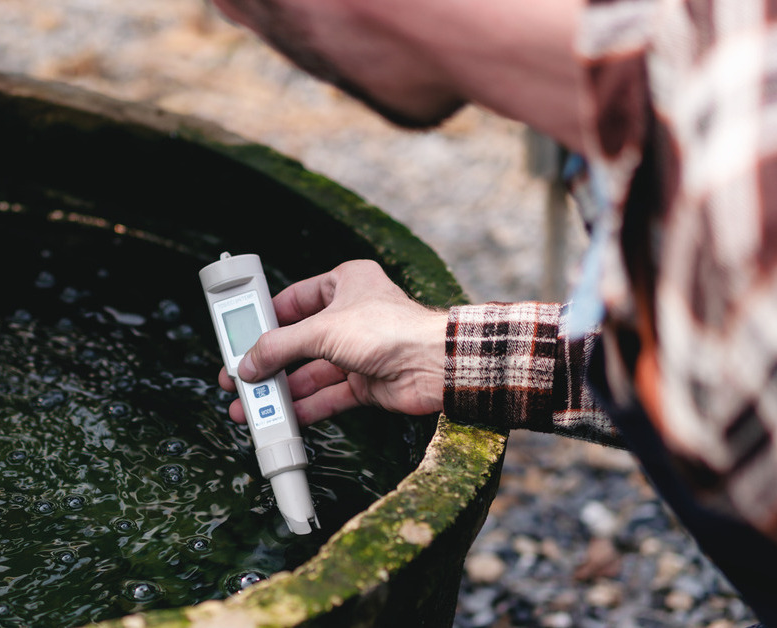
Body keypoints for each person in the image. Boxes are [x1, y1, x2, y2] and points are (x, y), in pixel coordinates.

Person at [209, 0, 777, 623]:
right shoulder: (689, 100)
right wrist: (440, 352)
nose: (235, 20)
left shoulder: (738, 204)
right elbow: (712, 354)